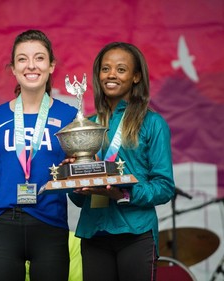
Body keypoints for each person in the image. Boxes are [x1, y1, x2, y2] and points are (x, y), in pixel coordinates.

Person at [68, 42, 175, 281]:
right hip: (94, 233)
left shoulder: (152, 123)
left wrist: (123, 194)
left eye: (121, 69)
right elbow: (76, 199)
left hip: (135, 233)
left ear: (136, 76)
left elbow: (165, 187)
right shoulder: (87, 127)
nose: (111, 75)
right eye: (105, 69)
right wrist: (76, 175)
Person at [0, 29, 78, 281]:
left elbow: (79, 169)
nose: (31, 65)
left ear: (51, 66)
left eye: (39, 58)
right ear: (13, 68)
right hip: (5, 223)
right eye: (22, 59)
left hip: (51, 223)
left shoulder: (70, 116)